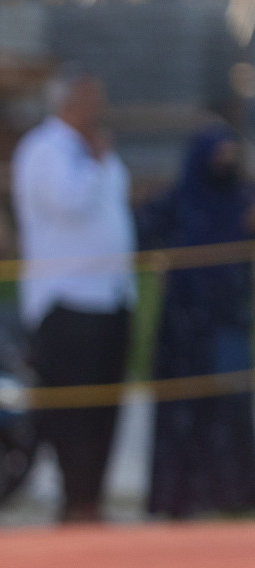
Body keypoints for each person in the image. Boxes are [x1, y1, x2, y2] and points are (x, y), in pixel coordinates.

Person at [12, 71, 137, 523]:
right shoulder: (44, 149)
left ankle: (91, 498)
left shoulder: (94, 151)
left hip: (111, 297)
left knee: (106, 406)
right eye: (88, 99)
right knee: (71, 412)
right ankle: (72, 497)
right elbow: (68, 203)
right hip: (67, 301)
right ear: (66, 102)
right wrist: (95, 159)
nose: (97, 110)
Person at [138, 121, 255, 517]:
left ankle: (232, 497)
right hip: (182, 330)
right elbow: (139, 230)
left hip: (229, 326)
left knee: (231, 412)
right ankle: (180, 499)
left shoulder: (245, 202)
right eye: (217, 155)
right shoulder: (179, 200)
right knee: (182, 414)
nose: (226, 163)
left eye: (230, 155)